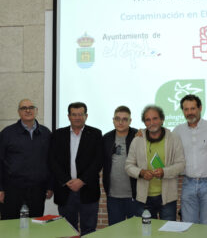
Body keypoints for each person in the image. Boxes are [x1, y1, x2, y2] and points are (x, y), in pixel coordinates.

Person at [50, 102, 103, 236]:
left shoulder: (96, 134)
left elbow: (98, 161)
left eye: (80, 114)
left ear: (86, 116)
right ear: (68, 116)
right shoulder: (58, 134)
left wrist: (82, 180)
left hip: (88, 189)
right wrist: (67, 180)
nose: (77, 118)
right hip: (65, 190)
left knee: (89, 230)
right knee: (68, 231)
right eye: (74, 114)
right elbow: (52, 160)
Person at [125, 105, 185, 220]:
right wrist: (141, 172)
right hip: (144, 198)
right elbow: (128, 166)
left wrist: (164, 172)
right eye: (148, 120)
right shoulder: (137, 140)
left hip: (167, 198)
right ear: (144, 122)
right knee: (146, 233)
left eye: (155, 118)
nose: (152, 122)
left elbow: (181, 164)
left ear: (162, 120)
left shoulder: (173, 138)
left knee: (168, 233)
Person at [173, 94, 207, 224]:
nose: (189, 112)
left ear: (200, 108)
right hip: (188, 183)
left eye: (193, 108)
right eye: (186, 109)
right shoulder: (178, 130)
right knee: (188, 225)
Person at [0, 99, 52, 219]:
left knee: (35, 226)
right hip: (12, 190)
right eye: (24, 108)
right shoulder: (7, 133)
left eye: (31, 107)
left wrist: (50, 186)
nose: (28, 110)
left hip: (38, 190)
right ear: (19, 112)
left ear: (36, 110)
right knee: (10, 226)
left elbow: (50, 162)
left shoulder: (46, 133)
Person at [102, 106, 138, 225]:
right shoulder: (106, 138)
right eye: (117, 119)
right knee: (115, 232)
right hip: (113, 196)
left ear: (130, 121)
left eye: (124, 119)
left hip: (134, 196)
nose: (120, 122)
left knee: (136, 231)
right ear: (113, 120)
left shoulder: (138, 137)